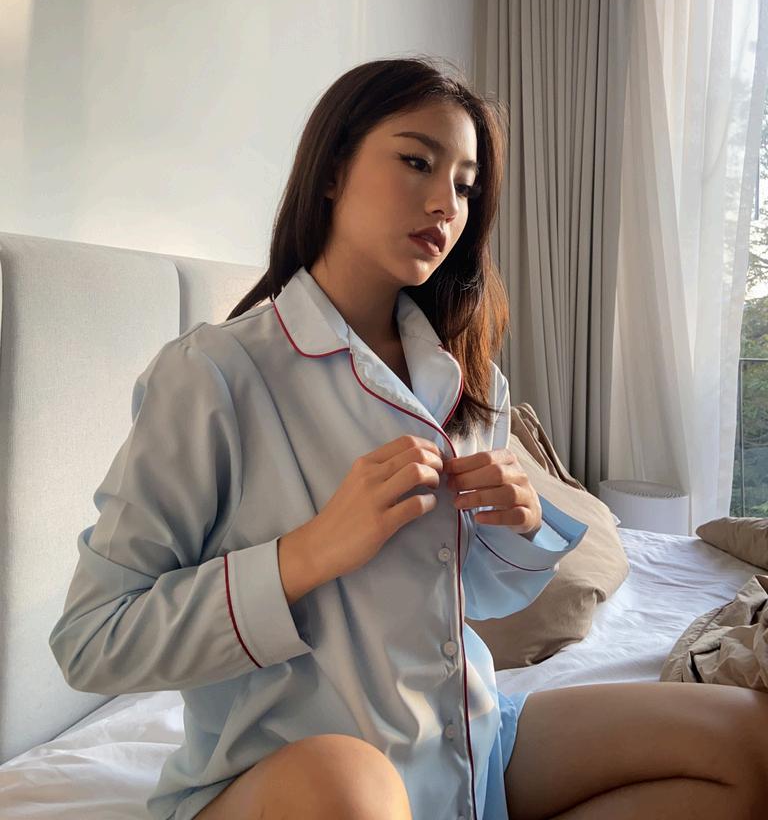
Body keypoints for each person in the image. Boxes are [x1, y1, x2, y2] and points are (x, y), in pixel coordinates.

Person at [49, 56, 768, 820]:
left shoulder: (469, 379)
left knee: (746, 738)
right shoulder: (215, 376)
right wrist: (309, 553)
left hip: (465, 745)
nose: (444, 204)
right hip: (294, 781)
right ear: (333, 171)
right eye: (416, 162)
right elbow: (93, 640)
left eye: (465, 185)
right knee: (351, 786)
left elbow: (469, 599)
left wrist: (519, 524)